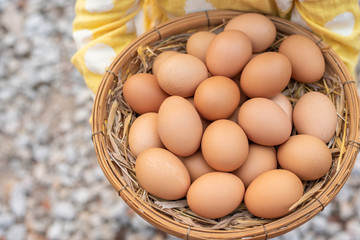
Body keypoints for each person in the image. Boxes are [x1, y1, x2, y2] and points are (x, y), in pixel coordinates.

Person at [71, 0, 360, 96]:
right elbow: (100, 24)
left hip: (273, 59)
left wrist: (309, 94)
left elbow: (330, 37)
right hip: (169, 50)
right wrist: (122, 88)